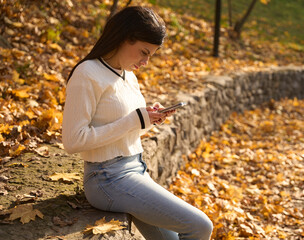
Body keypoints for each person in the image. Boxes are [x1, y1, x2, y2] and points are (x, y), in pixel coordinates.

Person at [62, 6, 213, 240]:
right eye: (144, 52)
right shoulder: (87, 74)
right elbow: (73, 140)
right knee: (200, 226)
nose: (145, 62)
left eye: (150, 55)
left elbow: (126, 127)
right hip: (106, 178)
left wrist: (148, 119)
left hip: (135, 169)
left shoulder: (127, 74)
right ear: (124, 38)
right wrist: (134, 119)